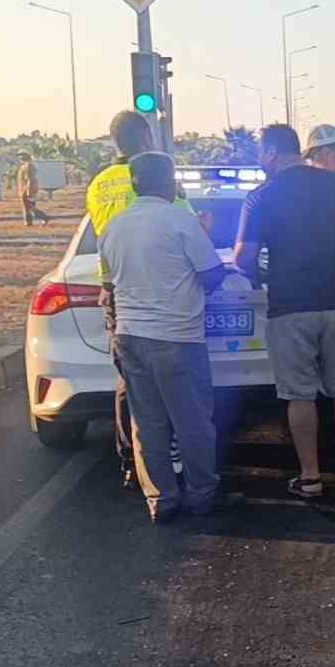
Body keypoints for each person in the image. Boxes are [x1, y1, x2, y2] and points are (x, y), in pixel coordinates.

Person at [234, 125, 335, 498]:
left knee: (300, 396)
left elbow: (243, 257)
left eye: (260, 153)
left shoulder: (261, 197)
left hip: (290, 308)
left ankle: (311, 477)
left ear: (271, 152)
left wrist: (256, 277)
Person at [99, 152, 237, 524]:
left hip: (130, 336)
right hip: (178, 337)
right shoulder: (182, 221)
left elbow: (110, 283)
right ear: (169, 182)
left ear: (134, 183)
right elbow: (211, 275)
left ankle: (160, 499)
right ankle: (202, 496)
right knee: (192, 421)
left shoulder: (113, 226)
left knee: (147, 423)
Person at [87, 111, 195, 486]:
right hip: (167, 292)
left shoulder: (98, 184)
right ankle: (184, 465)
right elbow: (188, 227)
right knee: (176, 382)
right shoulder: (156, 178)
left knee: (131, 382)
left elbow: (101, 238)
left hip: (119, 292)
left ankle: (134, 464)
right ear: (148, 138)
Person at [17, 153, 51, 226]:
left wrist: (29, 192)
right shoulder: (28, 165)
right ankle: (28, 223)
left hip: (27, 190)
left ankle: (44, 217)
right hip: (26, 189)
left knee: (29, 207)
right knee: (28, 208)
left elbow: (30, 179)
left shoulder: (27, 166)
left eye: (21, 157)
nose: (20, 159)